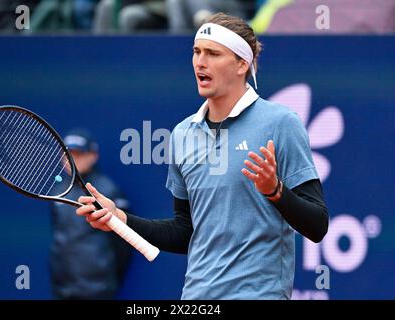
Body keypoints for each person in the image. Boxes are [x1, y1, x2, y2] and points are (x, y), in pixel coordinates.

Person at [76, 12, 329, 299]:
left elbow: (317, 225)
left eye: (213, 53)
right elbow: (186, 231)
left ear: (241, 64)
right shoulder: (183, 134)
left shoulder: (281, 123)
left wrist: (275, 191)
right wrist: (120, 218)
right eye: (196, 52)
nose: (200, 61)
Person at [49, 128, 131, 299]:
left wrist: (108, 279)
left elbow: (122, 243)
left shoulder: (108, 190)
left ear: (93, 156)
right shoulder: (58, 190)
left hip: (97, 290)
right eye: (68, 153)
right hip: (63, 288)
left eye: (78, 154)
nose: (72, 159)